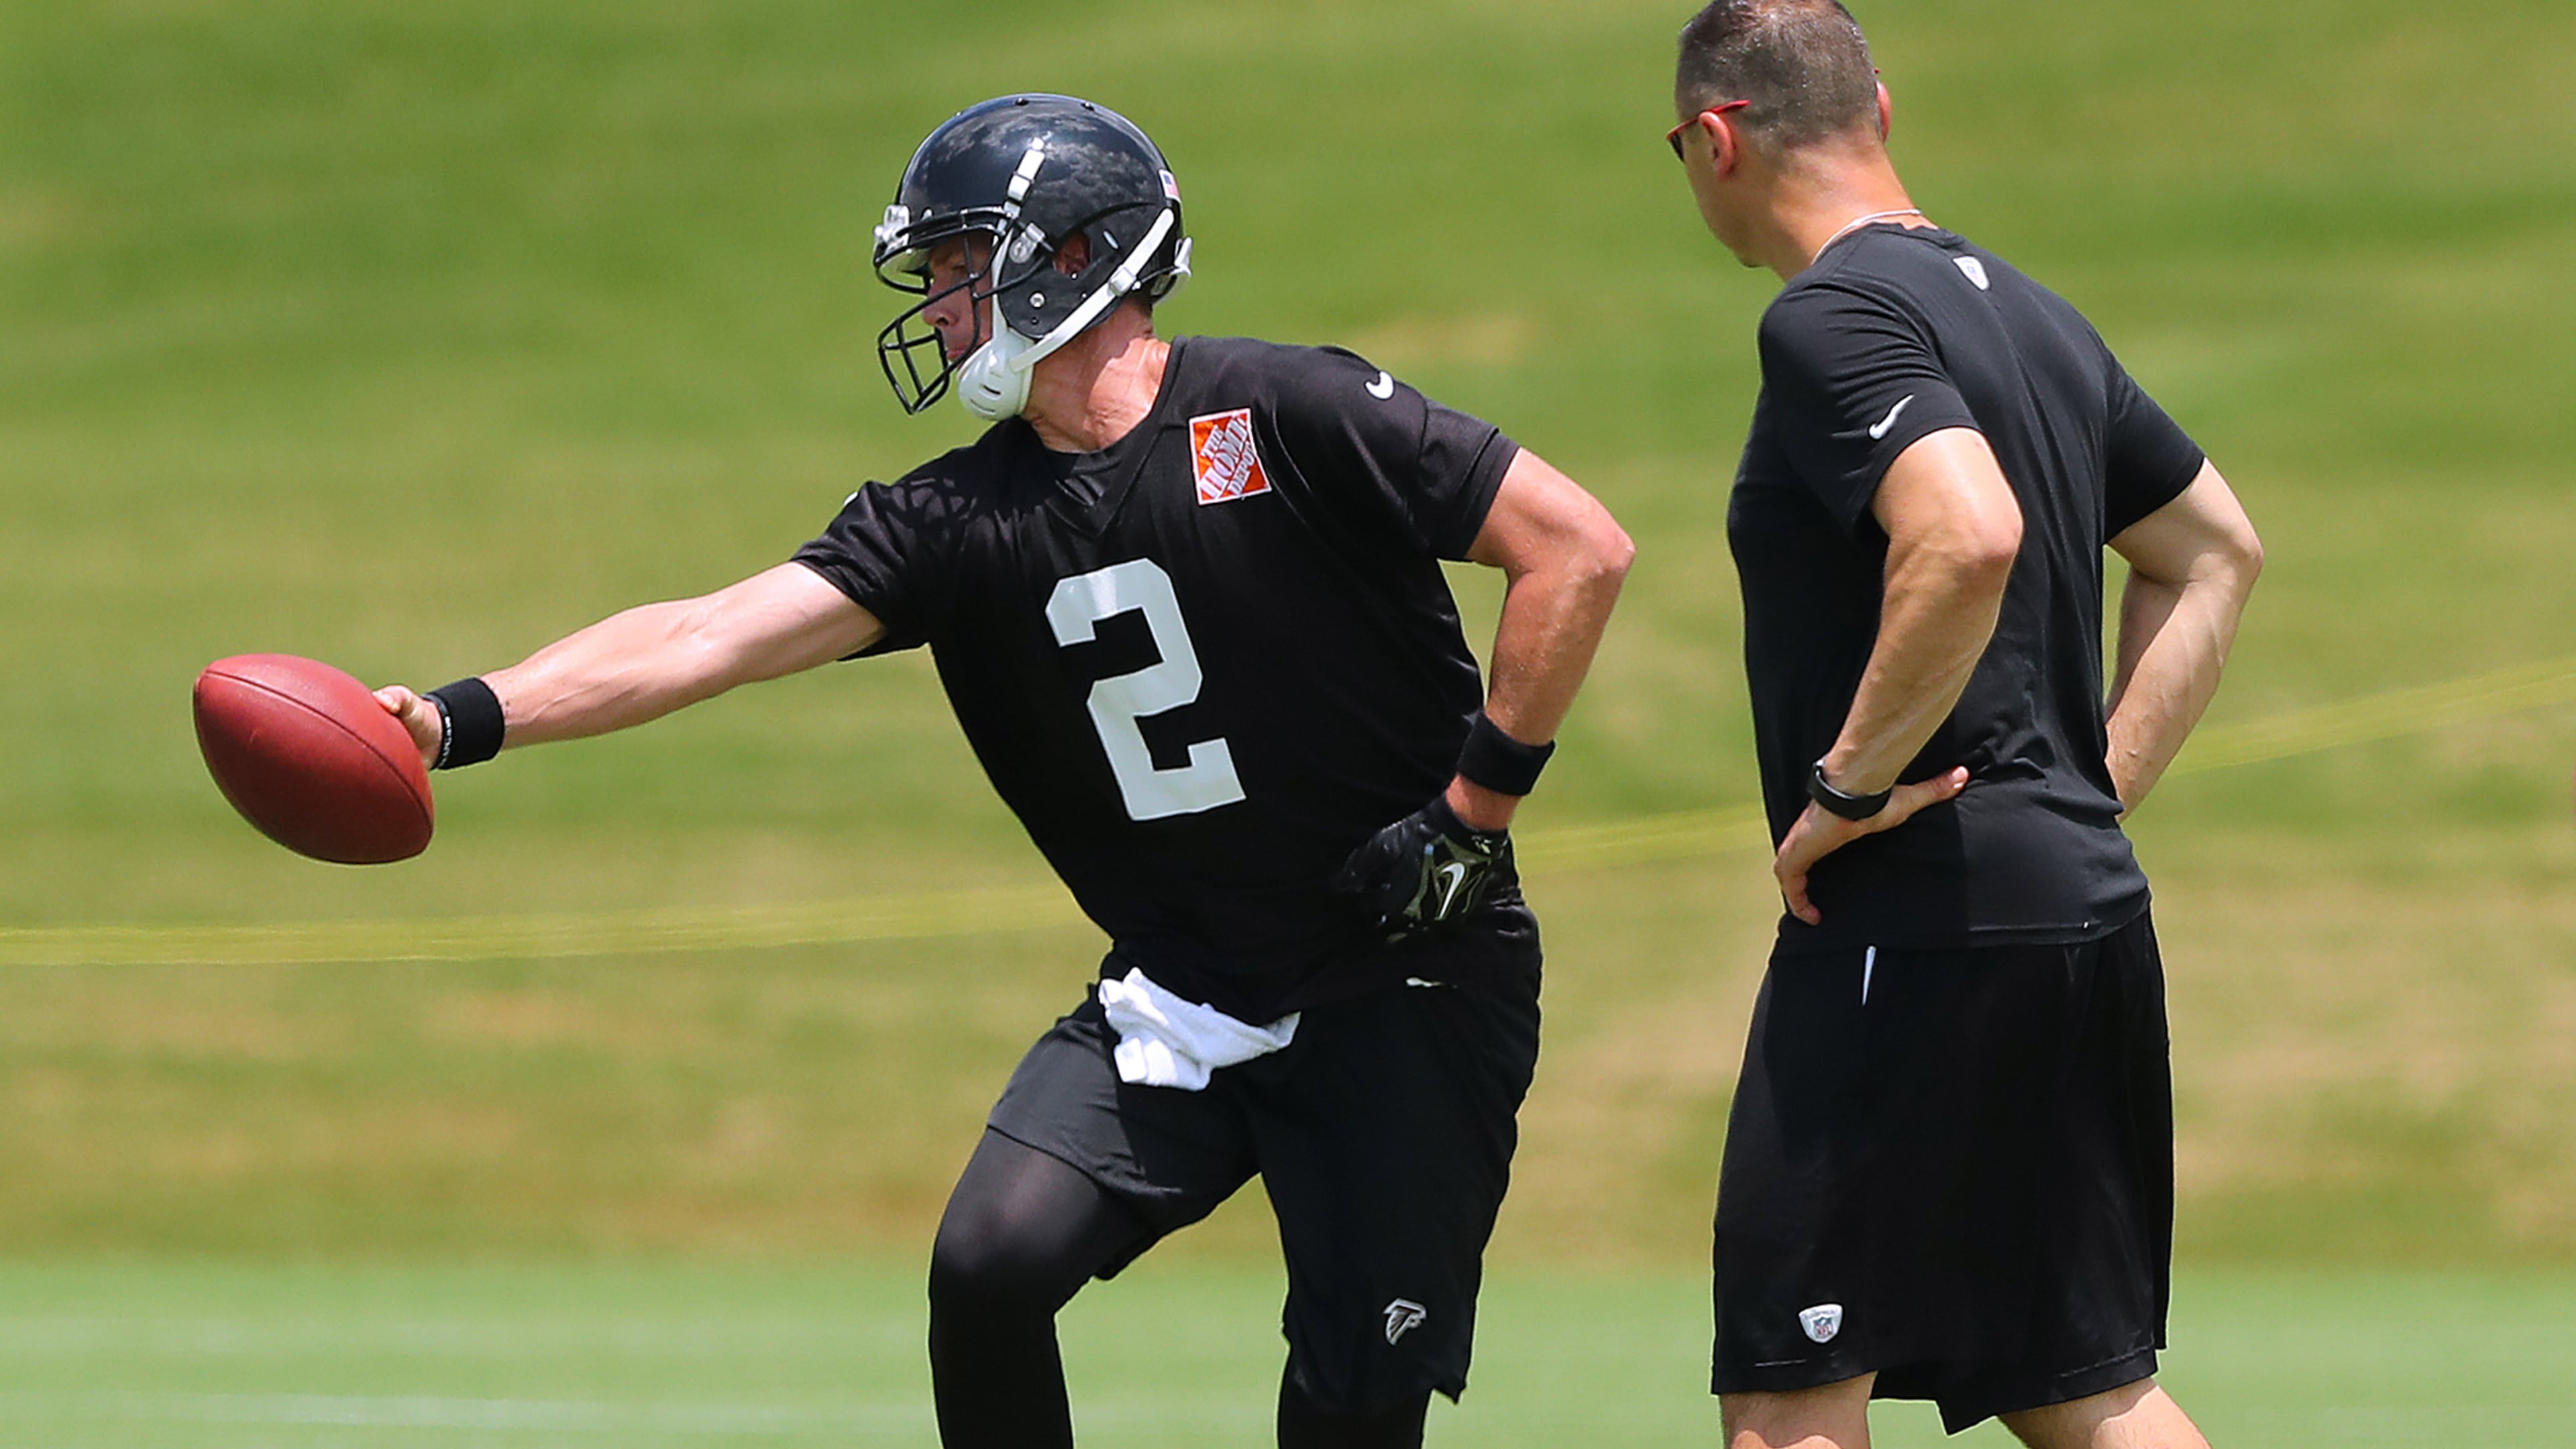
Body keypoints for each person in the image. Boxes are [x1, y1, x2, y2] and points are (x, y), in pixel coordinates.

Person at [373, 94, 1632, 1449]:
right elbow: (703, 636)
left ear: (1074, 258)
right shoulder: (952, 522)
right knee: (988, 1265)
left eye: (959, 268)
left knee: (1347, 1415)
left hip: (1406, 973)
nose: (937, 305)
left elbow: (1576, 548)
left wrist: (1473, 814)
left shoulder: (1287, 413)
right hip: (1187, 990)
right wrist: (452, 719)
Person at [1665, 5, 2263, 1446]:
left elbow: (1969, 534)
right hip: (2076, 914)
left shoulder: (1831, 314)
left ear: (1717, 138)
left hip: (1914, 923)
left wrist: (1850, 788)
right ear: (1882, 107)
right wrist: (2087, 790)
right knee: (2080, 1391)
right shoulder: (2033, 311)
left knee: (1786, 1396)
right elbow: (2215, 550)